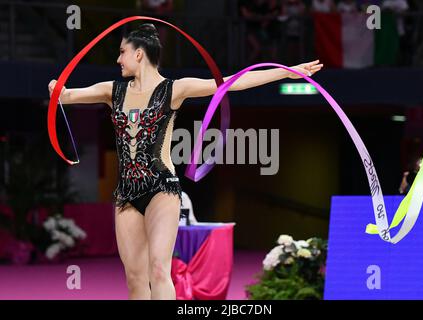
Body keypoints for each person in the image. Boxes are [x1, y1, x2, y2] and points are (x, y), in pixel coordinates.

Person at [48, 23, 323, 300]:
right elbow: (67, 96)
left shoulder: (174, 89)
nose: (118, 59)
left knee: (158, 269)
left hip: (161, 188)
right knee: (135, 278)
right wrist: (56, 88)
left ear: (140, 54)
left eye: (122, 52)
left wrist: (287, 72)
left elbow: (231, 82)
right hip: (126, 193)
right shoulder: (112, 91)